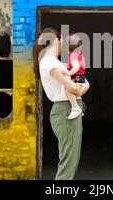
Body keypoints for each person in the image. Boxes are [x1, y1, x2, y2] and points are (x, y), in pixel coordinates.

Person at [32, 27, 90, 180]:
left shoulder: (55, 62)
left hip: (68, 110)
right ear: (55, 41)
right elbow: (75, 87)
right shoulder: (49, 63)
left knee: (71, 159)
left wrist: (82, 86)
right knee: (68, 162)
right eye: (61, 40)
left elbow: (81, 83)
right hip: (66, 110)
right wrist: (84, 87)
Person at [63, 33, 87, 119]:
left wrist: (68, 73)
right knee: (74, 92)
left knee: (68, 90)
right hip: (81, 76)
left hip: (77, 77)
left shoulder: (73, 55)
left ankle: (75, 108)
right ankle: (79, 108)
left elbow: (76, 67)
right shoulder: (79, 54)